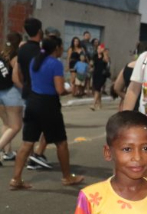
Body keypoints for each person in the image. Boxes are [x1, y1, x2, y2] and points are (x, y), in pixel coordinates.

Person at [9, 36, 84, 189]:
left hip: (32, 103)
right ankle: (67, 177)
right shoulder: (55, 63)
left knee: (27, 143)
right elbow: (59, 89)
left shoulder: (34, 61)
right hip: (48, 106)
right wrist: (69, 90)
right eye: (61, 46)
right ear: (56, 48)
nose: (63, 49)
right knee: (61, 143)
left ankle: (16, 179)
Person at [13, 18, 51, 170]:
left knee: (31, 130)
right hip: (43, 93)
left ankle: (26, 166)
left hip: (29, 93)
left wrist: (25, 87)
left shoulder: (22, 49)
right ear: (39, 31)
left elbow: (19, 73)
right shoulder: (40, 51)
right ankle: (37, 155)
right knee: (49, 125)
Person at [0, 31, 23, 165]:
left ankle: (7, 152)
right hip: (10, 93)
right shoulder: (15, 57)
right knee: (15, 126)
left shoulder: (1, 55)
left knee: (6, 124)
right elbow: (16, 78)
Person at [90, 44, 110, 111]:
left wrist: (104, 53)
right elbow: (91, 63)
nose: (99, 49)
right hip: (95, 74)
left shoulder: (104, 56)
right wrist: (91, 65)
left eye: (100, 48)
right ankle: (100, 103)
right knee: (96, 89)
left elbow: (107, 61)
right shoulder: (95, 56)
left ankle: (93, 104)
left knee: (97, 88)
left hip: (102, 75)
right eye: (98, 48)